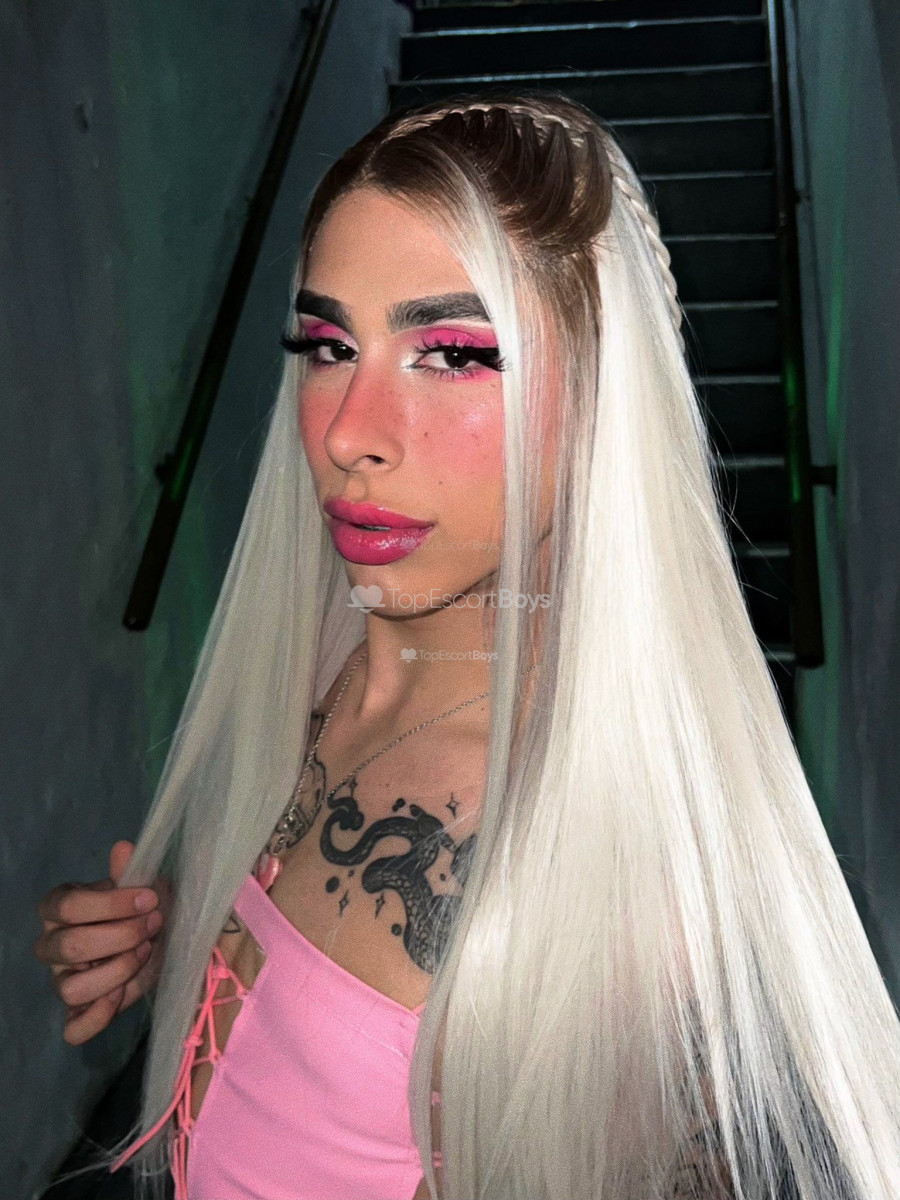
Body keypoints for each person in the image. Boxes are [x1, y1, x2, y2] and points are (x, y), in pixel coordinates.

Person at [34, 92, 900, 1200]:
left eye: (450, 354)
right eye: (329, 344)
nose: (348, 432)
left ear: (605, 394)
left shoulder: (622, 873)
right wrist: (180, 942)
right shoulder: (320, 671)